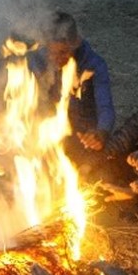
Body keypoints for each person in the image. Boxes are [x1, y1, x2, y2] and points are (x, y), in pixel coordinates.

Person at [30, 11, 115, 167]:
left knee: (93, 167)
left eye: (63, 52)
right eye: (52, 52)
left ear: (76, 42)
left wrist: (101, 133)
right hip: (48, 127)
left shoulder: (94, 65)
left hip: (82, 133)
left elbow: (106, 108)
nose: (57, 58)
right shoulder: (38, 58)